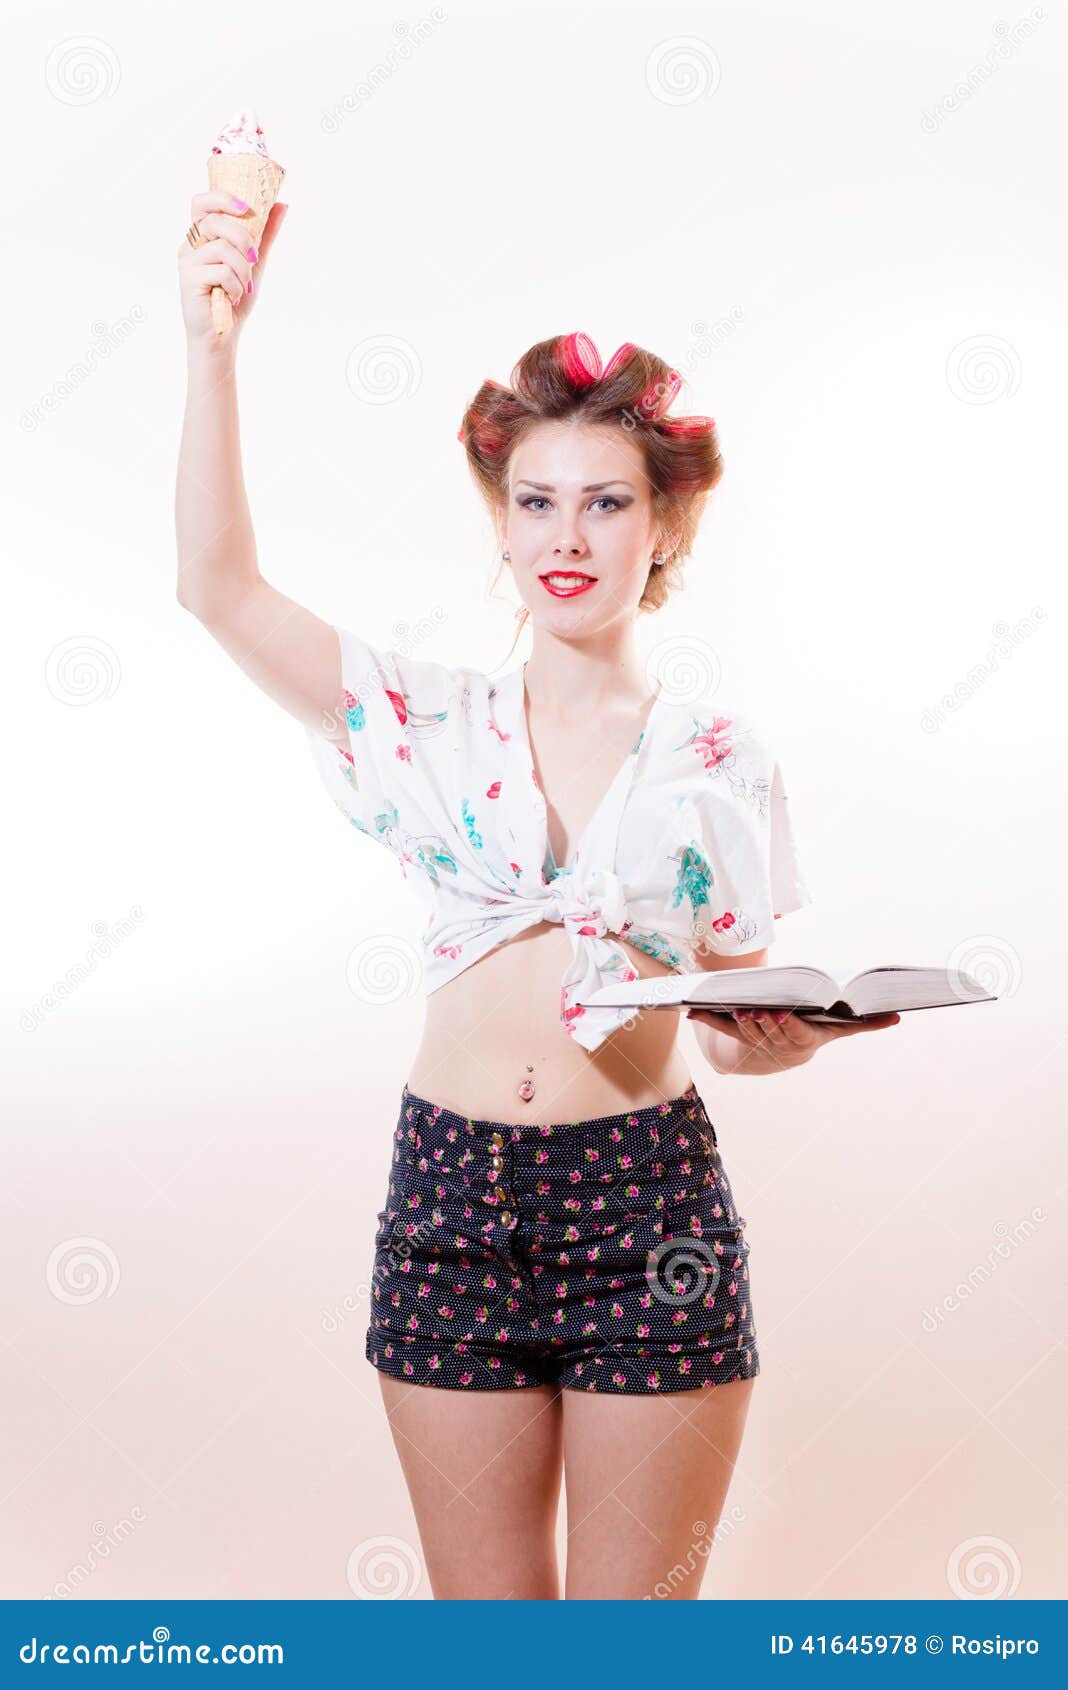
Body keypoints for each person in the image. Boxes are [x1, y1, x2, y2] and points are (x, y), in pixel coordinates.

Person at [175, 192, 901, 1601]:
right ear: (502, 525)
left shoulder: (716, 761)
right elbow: (214, 585)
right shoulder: (421, 720)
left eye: (608, 499)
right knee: (490, 1646)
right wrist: (215, 349)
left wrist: (783, 1038)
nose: (566, 533)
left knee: (628, 1649)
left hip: (648, 1213)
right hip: (447, 1202)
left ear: (666, 524)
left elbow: (733, 1011)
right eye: (536, 500)